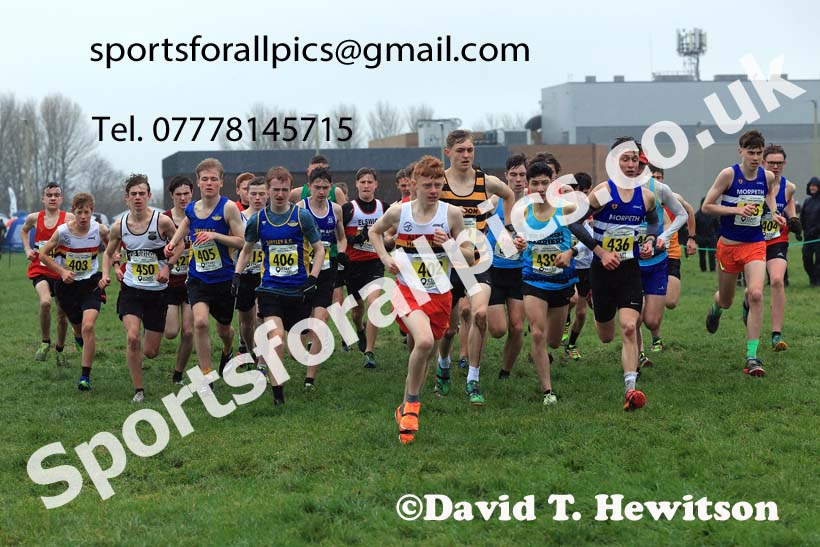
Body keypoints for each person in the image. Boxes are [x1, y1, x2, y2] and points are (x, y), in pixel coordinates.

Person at [369, 155, 472, 444]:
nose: (433, 190)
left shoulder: (451, 214)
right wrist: (386, 257)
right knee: (425, 342)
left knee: (424, 350)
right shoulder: (399, 213)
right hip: (405, 290)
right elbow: (374, 232)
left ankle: (404, 407)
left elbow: (469, 254)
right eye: (427, 185)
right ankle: (413, 406)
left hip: (440, 294)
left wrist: (449, 244)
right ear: (413, 184)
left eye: (438, 184)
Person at [581, 137, 662, 410]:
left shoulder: (646, 196)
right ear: (615, 161)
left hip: (629, 269)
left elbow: (653, 222)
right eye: (625, 159)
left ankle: (631, 388)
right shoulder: (604, 192)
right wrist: (601, 252)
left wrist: (649, 242)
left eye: (634, 160)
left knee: (629, 327)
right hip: (602, 271)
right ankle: (597, 304)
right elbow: (573, 222)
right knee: (606, 336)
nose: (630, 165)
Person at [436, 130, 516, 405]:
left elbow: (509, 194)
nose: (466, 155)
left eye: (470, 150)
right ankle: (444, 364)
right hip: (448, 261)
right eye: (460, 150)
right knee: (447, 328)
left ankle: (473, 378)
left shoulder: (485, 182)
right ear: (448, 153)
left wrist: (508, 227)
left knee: (480, 313)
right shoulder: (440, 183)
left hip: (479, 260)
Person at [234, 166, 324, 406]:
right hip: (270, 289)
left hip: (297, 290)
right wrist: (237, 274)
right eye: (276, 189)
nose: (281, 194)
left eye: (285, 189)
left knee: (296, 351)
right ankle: (277, 394)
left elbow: (319, 249)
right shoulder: (258, 220)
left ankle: (283, 376)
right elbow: (246, 250)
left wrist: (313, 278)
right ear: (268, 191)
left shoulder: (301, 216)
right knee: (276, 338)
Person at [702, 130, 786, 377]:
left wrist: (772, 213)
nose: (756, 157)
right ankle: (716, 308)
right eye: (751, 152)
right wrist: (736, 210)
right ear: (741, 152)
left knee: (757, 293)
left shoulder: (767, 176)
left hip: (755, 244)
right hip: (728, 246)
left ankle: (752, 356)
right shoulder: (729, 175)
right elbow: (706, 206)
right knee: (726, 300)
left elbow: (769, 194)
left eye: (759, 153)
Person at [165, 158, 245, 392]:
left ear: (221, 181)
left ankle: (228, 348)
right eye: (204, 179)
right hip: (198, 277)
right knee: (199, 322)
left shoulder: (228, 207)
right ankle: (206, 375)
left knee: (224, 329)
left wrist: (215, 236)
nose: (209, 183)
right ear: (198, 182)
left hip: (223, 278)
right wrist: (173, 242)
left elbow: (242, 242)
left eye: (213, 179)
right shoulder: (193, 207)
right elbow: (187, 223)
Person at [102, 175, 179, 402]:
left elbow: (181, 243)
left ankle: (149, 332)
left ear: (149, 196)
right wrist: (108, 273)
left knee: (151, 352)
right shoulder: (119, 226)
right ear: (127, 198)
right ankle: (139, 390)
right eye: (133, 194)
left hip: (157, 292)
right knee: (133, 337)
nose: (138, 198)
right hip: (131, 289)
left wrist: (168, 268)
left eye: (142, 193)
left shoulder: (162, 222)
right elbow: (108, 253)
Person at [519, 161, 577, 404]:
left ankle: (548, 350)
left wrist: (570, 253)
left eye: (545, 182)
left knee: (553, 341)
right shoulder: (523, 210)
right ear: (528, 186)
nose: (541, 187)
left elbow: (589, 239)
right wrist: (518, 242)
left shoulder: (566, 208)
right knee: (537, 334)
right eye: (535, 183)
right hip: (533, 279)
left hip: (561, 280)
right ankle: (548, 391)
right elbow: (517, 236)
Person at [38, 193, 109, 391]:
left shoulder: (99, 228)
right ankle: (77, 336)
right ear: (73, 212)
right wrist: (61, 271)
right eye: (79, 212)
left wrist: (114, 264)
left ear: (92, 212)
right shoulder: (62, 232)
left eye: (87, 212)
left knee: (88, 327)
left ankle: (85, 376)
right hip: (67, 287)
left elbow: (112, 246)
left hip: (91, 284)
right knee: (78, 328)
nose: (83, 216)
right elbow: (42, 255)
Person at [297, 167, 347, 388]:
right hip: (303, 271)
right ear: (309, 187)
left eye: (325, 187)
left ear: (331, 187)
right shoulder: (300, 208)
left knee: (320, 319)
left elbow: (342, 238)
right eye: (317, 187)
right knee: (300, 321)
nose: (321, 191)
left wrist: (343, 253)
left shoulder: (335, 210)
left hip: (327, 269)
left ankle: (310, 377)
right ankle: (299, 347)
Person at [634, 162, 688, 365]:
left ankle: (652, 338)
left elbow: (683, 213)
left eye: (639, 166)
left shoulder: (659, 189)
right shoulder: (615, 189)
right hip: (631, 262)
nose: (634, 169)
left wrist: (665, 236)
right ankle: (638, 354)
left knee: (652, 320)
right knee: (634, 316)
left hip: (656, 260)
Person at [20, 183, 76, 364]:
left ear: (61, 198)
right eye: (49, 195)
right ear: (43, 199)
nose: (53, 198)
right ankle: (45, 342)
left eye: (56, 195)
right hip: (40, 269)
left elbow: (84, 231)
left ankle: (60, 349)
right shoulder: (34, 217)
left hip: (60, 272)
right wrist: (28, 249)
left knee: (62, 315)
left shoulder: (69, 218)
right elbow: (24, 230)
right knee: (45, 302)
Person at [342, 167, 390, 368]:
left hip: (374, 264)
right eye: (362, 182)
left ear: (376, 185)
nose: (366, 186)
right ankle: (359, 329)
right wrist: (356, 238)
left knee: (374, 303)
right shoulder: (348, 209)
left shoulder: (383, 207)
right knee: (357, 310)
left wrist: (387, 242)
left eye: (370, 182)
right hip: (353, 265)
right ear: (356, 184)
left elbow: (390, 235)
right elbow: (340, 237)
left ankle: (369, 352)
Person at [485, 154, 527, 380]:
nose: (518, 179)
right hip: (495, 269)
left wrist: (524, 244)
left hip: (520, 272)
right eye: (513, 175)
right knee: (498, 330)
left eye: (522, 174)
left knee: (518, 327)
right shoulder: (494, 200)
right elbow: (473, 218)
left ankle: (505, 371)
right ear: (506, 176)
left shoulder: (534, 204)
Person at [760, 145, 802, 351]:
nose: (775, 167)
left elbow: (790, 200)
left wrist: (793, 218)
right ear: (763, 163)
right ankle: (746, 305)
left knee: (777, 280)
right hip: (754, 241)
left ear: (784, 164)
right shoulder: (754, 185)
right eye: (771, 163)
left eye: (779, 163)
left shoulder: (789, 187)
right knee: (754, 292)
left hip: (777, 239)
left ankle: (776, 334)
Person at [163, 176, 195, 385]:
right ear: (172, 196)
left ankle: (178, 373)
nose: (183, 198)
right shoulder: (164, 219)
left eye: (186, 194)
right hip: (170, 283)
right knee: (171, 332)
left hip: (193, 281)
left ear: (192, 193)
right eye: (178, 195)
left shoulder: (199, 216)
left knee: (190, 330)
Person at [234, 176, 268, 362]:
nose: (257, 198)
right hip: (244, 274)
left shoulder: (273, 217)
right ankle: (250, 350)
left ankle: (262, 361)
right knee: (246, 322)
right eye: (253, 194)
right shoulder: (239, 218)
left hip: (266, 275)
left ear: (267, 194)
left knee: (260, 318)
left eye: (261, 194)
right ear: (246, 194)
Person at [565, 172, 594, 360]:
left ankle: (571, 344)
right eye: (579, 192)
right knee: (572, 299)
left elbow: (591, 240)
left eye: (585, 192)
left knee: (582, 313)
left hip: (587, 269)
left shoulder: (589, 215)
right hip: (569, 266)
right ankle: (562, 323)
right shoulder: (565, 213)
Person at [801, 177, 820, 285]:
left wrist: (815, 230)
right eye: (810, 185)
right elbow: (802, 217)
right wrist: (799, 230)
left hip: (818, 237)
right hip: (808, 237)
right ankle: (812, 278)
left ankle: (817, 281)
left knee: (819, 261)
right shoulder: (807, 201)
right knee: (806, 259)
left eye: (814, 185)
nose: (812, 187)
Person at [695, 197, 720, 272]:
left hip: (712, 238)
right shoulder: (697, 215)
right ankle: (703, 269)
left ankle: (712, 269)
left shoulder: (714, 215)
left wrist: (716, 236)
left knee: (712, 254)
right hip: (701, 238)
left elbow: (717, 226)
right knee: (702, 255)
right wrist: (697, 238)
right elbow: (694, 227)